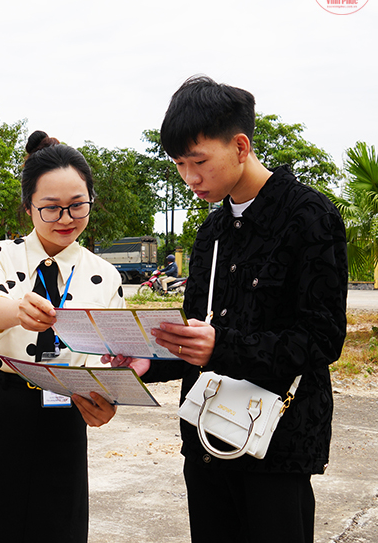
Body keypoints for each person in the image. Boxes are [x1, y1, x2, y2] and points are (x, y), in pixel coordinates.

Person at [112, 76, 348, 543]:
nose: (190, 178)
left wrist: (223, 345)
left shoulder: (309, 217)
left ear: (240, 146)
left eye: (199, 161)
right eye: (179, 164)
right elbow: (196, 339)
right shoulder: (211, 233)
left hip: (275, 444)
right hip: (205, 435)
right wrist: (150, 362)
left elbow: (322, 339)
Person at [0, 132, 121, 543]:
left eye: (78, 205)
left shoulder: (106, 274)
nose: (65, 219)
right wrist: (19, 311)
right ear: (28, 207)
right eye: (51, 208)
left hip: (65, 410)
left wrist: (106, 403)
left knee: (57, 524)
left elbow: (109, 356)